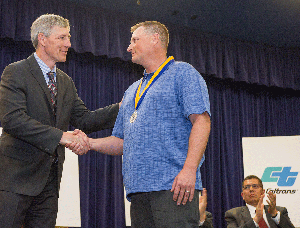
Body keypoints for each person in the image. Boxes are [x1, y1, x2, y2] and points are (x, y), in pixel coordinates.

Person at [70, 21, 211, 227]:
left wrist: (189, 170)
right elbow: (120, 141)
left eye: (135, 40)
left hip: (173, 188)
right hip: (137, 193)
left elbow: (202, 121)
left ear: (155, 39)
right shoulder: (131, 91)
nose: (129, 47)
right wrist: (89, 143)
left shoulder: (183, 73)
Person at [0, 14, 119, 227]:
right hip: (14, 183)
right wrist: (61, 136)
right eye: (62, 37)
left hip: (49, 185)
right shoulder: (15, 72)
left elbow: (85, 120)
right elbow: (12, 120)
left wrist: (123, 107)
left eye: (69, 38)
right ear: (42, 38)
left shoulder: (65, 82)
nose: (68, 44)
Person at [225, 175, 295, 228]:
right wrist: (256, 219)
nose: (251, 189)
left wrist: (274, 214)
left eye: (255, 186)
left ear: (262, 192)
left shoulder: (280, 211)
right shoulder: (233, 214)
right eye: (247, 187)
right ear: (242, 195)